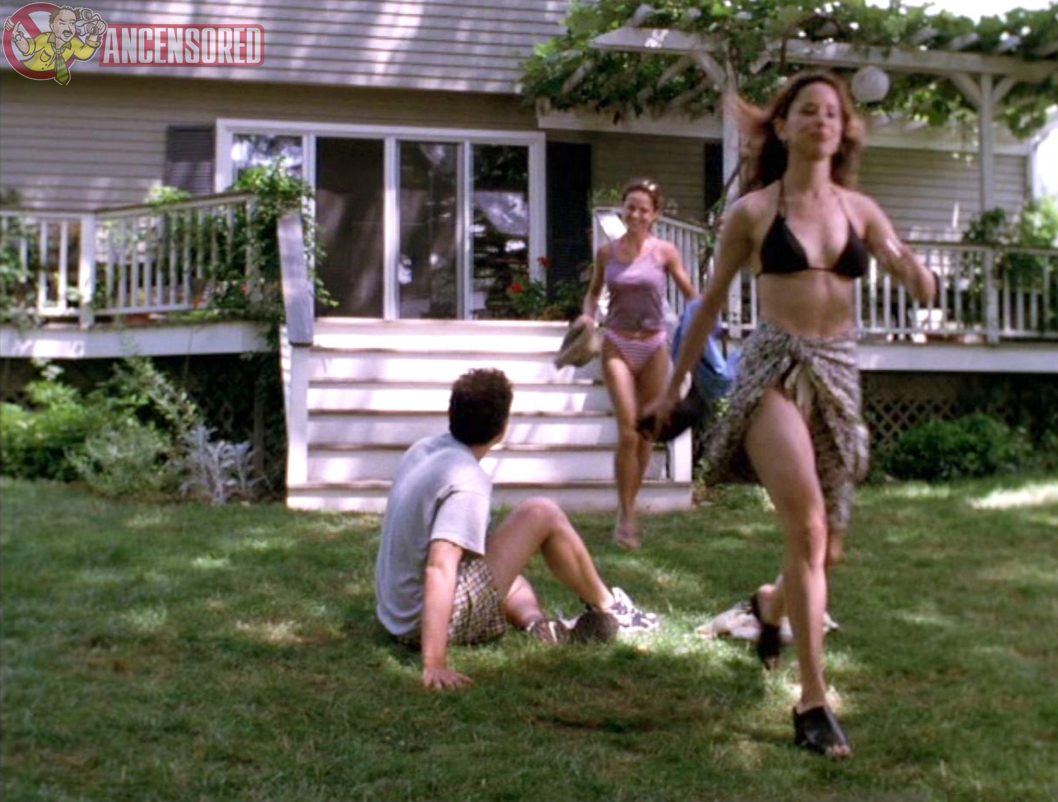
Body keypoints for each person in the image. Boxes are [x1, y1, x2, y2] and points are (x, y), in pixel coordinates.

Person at [643, 72, 937, 758]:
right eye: (808, 110)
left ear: (843, 129)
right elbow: (708, 305)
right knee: (806, 527)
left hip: (837, 374)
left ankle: (771, 605)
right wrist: (673, 386)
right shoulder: (753, 213)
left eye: (832, 112)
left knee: (822, 549)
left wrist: (916, 274)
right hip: (773, 370)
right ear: (782, 126)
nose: (822, 120)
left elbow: (907, 270)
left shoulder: (860, 210)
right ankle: (813, 702)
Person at [375, 368, 659, 692]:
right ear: (502, 429)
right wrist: (434, 663)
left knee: (510, 575)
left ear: (452, 413)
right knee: (541, 513)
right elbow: (440, 566)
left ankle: (538, 626)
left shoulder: (423, 450)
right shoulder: (466, 480)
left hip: (394, 611)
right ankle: (611, 607)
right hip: (417, 623)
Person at [578, 178, 698, 549]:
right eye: (630, 207)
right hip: (617, 342)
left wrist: (706, 315)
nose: (635, 214)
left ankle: (628, 506)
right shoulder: (607, 253)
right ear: (623, 209)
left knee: (646, 433)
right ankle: (627, 513)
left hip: (654, 345)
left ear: (655, 214)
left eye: (643, 209)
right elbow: (593, 294)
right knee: (628, 431)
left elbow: (691, 294)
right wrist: (587, 317)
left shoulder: (664, 252)